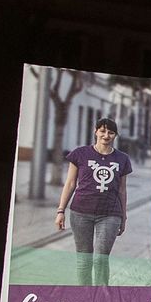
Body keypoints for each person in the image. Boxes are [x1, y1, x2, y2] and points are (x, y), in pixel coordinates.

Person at [56, 118, 133, 286]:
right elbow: (70, 183)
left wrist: (123, 216)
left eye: (111, 132)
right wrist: (60, 210)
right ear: (96, 131)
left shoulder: (122, 159)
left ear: (115, 135)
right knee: (84, 259)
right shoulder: (80, 153)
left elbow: (122, 190)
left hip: (110, 214)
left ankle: (101, 298)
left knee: (100, 259)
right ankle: (85, 297)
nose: (106, 135)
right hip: (80, 212)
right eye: (103, 131)